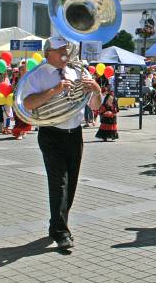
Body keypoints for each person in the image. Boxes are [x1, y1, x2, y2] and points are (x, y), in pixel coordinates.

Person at [20, 37, 102, 251]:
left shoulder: (77, 72)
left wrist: (96, 90)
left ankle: (56, 224)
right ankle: (61, 232)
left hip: (74, 134)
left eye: (66, 49)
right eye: (61, 50)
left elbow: (94, 105)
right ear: (49, 53)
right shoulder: (38, 75)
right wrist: (54, 90)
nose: (66, 53)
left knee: (71, 184)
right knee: (60, 183)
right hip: (51, 133)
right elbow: (28, 104)